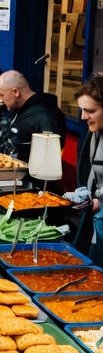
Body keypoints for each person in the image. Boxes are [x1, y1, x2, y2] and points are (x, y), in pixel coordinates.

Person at [0, 70, 66, 162]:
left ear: (16, 92)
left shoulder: (45, 115)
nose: (0, 100)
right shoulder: (18, 107)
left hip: (26, 175)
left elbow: (50, 158)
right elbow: (18, 144)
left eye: (1, 95)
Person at [74, 77, 103, 261]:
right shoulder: (94, 132)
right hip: (93, 217)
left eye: (90, 111)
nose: (83, 116)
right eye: (82, 110)